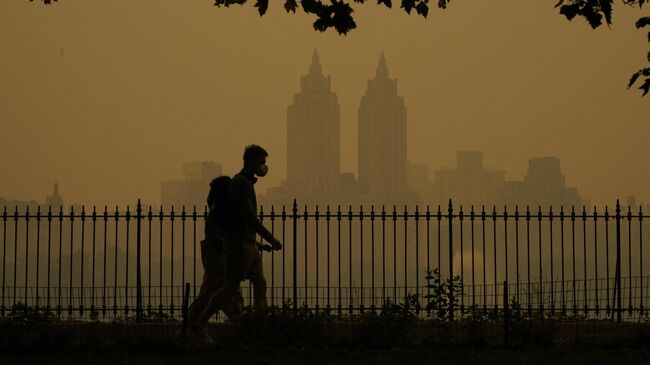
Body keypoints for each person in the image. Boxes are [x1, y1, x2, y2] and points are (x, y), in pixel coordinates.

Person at [194, 144, 282, 339]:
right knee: (229, 286)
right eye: (261, 162)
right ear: (250, 161)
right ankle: (200, 323)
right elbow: (248, 215)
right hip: (238, 245)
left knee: (260, 283)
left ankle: (261, 327)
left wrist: (258, 244)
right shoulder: (241, 183)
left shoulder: (247, 184)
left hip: (249, 244)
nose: (263, 166)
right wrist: (270, 237)